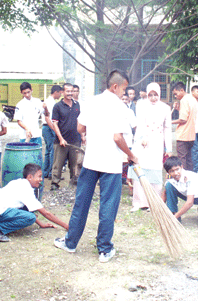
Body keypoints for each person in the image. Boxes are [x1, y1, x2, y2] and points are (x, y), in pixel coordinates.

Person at [53, 70, 138, 263]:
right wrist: (132, 155)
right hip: (111, 164)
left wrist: (95, 130)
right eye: (124, 88)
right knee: (108, 206)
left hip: (91, 160)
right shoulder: (120, 107)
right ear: (115, 86)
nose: (124, 93)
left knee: (82, 202)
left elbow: (80, 128)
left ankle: (71, 242)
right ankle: (104, 249)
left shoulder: (91, 101)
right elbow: (118, 137)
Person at [0, 163, 69, 242]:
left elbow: (31, 208)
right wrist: (65, 226)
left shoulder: (20, 182)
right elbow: (46, 213)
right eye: (39, 176)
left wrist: (41, 224)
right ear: (30, 177)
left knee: (29, 209)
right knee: (30, 218)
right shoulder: (26, 189)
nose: (41, 179)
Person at [127, 82, 172, 211]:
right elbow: (140, 123)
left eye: (155, 95)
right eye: (150, 95)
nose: (153, 98)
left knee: (155, 169)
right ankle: (139, 202)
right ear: (147, 94)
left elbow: (167, 128)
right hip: (143, 142)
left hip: (157, 142)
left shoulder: (165, 108)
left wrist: (168, 148)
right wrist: (143, 137)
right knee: (141, 168)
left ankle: (153, 201)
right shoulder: (141, 105)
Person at [162, 156, 198, 223]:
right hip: (188, 194)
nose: (175, 173)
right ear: (168, 172)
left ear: (182, 167)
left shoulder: (189, 178)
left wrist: (174, 217)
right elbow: (165, 193)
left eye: (177, 169)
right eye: (172, 171)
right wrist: (159, 208)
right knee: (169, 186)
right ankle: (172, 212)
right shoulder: (169, 177)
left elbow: (189, 203)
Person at [50, 83, 83, 190]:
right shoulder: (57, 106)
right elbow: (55, 124)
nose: (70, 93)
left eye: (72, 91)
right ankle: (55, 184)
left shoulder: (77, 105)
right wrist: (61, 139)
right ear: (62, 92)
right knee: (58, 165)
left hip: (75, 140)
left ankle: (74, 185)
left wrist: (82, 135)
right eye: (67, 91)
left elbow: (79, 121)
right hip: (61, 141)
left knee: (75, 165)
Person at [171, 82, 198, 171]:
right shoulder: (192, 98)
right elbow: (188, 114)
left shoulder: (184, 100)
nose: (175, 96)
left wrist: (169, 122)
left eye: (176, 93)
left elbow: (183, 119)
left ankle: (183, 177)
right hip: (190, 135)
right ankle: (190, 177)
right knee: (189, 158)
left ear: (182, 90)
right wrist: (178, 109)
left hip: (183, 135)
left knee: (182, 159)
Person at [15, 82, 47, 147]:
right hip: (25, 136)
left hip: (36, 135)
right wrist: (27, 128)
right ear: (21, 92)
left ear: (31, 90)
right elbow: (19, 121)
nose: (27, 95)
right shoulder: (20, 105)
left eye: (28, 92)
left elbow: (46, 114)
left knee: (38, 156)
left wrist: (46, 108)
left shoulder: (37, 101)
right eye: (24, 93)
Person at [42, 85, 63, 183]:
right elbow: (49, 118)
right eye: (60, 93)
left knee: (48, 150)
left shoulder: (48, 101)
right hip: (49, 127)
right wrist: (54, 129)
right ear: (56, 92)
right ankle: (51, 173)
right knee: (52, 151)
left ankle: (45, 172)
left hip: (45, 127)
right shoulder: (51, 103)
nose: (60, 95)